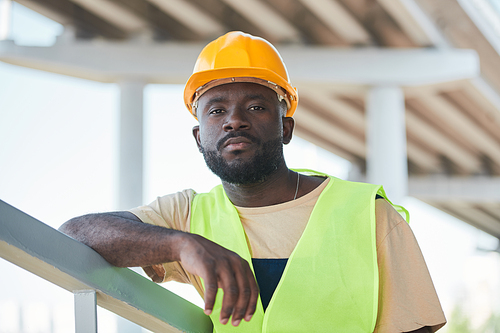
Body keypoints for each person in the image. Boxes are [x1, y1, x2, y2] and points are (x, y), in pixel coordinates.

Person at [59, 31, 446, 332]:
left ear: (287, 128)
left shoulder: (369, 215)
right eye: (216, 110)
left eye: (257, 106)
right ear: (199, 138)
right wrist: (180, 244)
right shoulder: (187, 215)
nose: (234, 120)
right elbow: (76, 234)